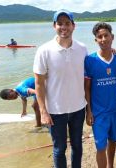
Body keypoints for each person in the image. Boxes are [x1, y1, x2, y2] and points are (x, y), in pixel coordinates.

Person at [33, 9, 87, 168]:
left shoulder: (82, 48)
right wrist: (43, 111)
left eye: (67, 23)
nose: (64, 27)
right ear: (54, 26)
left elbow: (91, 68)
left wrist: (110, 50)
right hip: (55, 111)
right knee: (59, 148)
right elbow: (38, 83)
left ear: (73, 26)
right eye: (60, 24)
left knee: (77, 145)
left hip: (78, 108)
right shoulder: (44, 50)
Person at [84, 22, 116, 168]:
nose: (103, 39)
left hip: (114, 110)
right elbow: (86, 88)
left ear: (112, 37)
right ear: (95, 40)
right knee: (100, 146)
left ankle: (111, 165)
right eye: (99, 37)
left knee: (112, 140)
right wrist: (88, 110)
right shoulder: (90, 60)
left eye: (106, 35)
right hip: (98, 112)